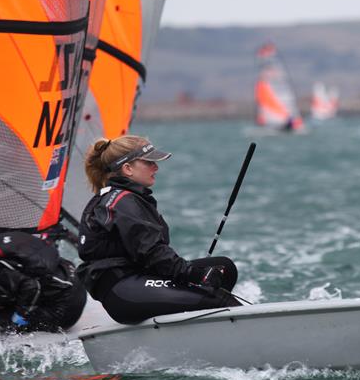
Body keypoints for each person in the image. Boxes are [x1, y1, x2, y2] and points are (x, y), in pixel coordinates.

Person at [77, 135, 240, 324]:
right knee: (220, 301)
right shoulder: (124, 202)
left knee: (223, 268)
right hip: (123, 290)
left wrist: (196, 273)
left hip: (136, 279)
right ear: (127, 168)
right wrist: (193, 274)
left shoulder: (123, 197)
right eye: (149, 162)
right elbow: (152, 252)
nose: (156, 168)